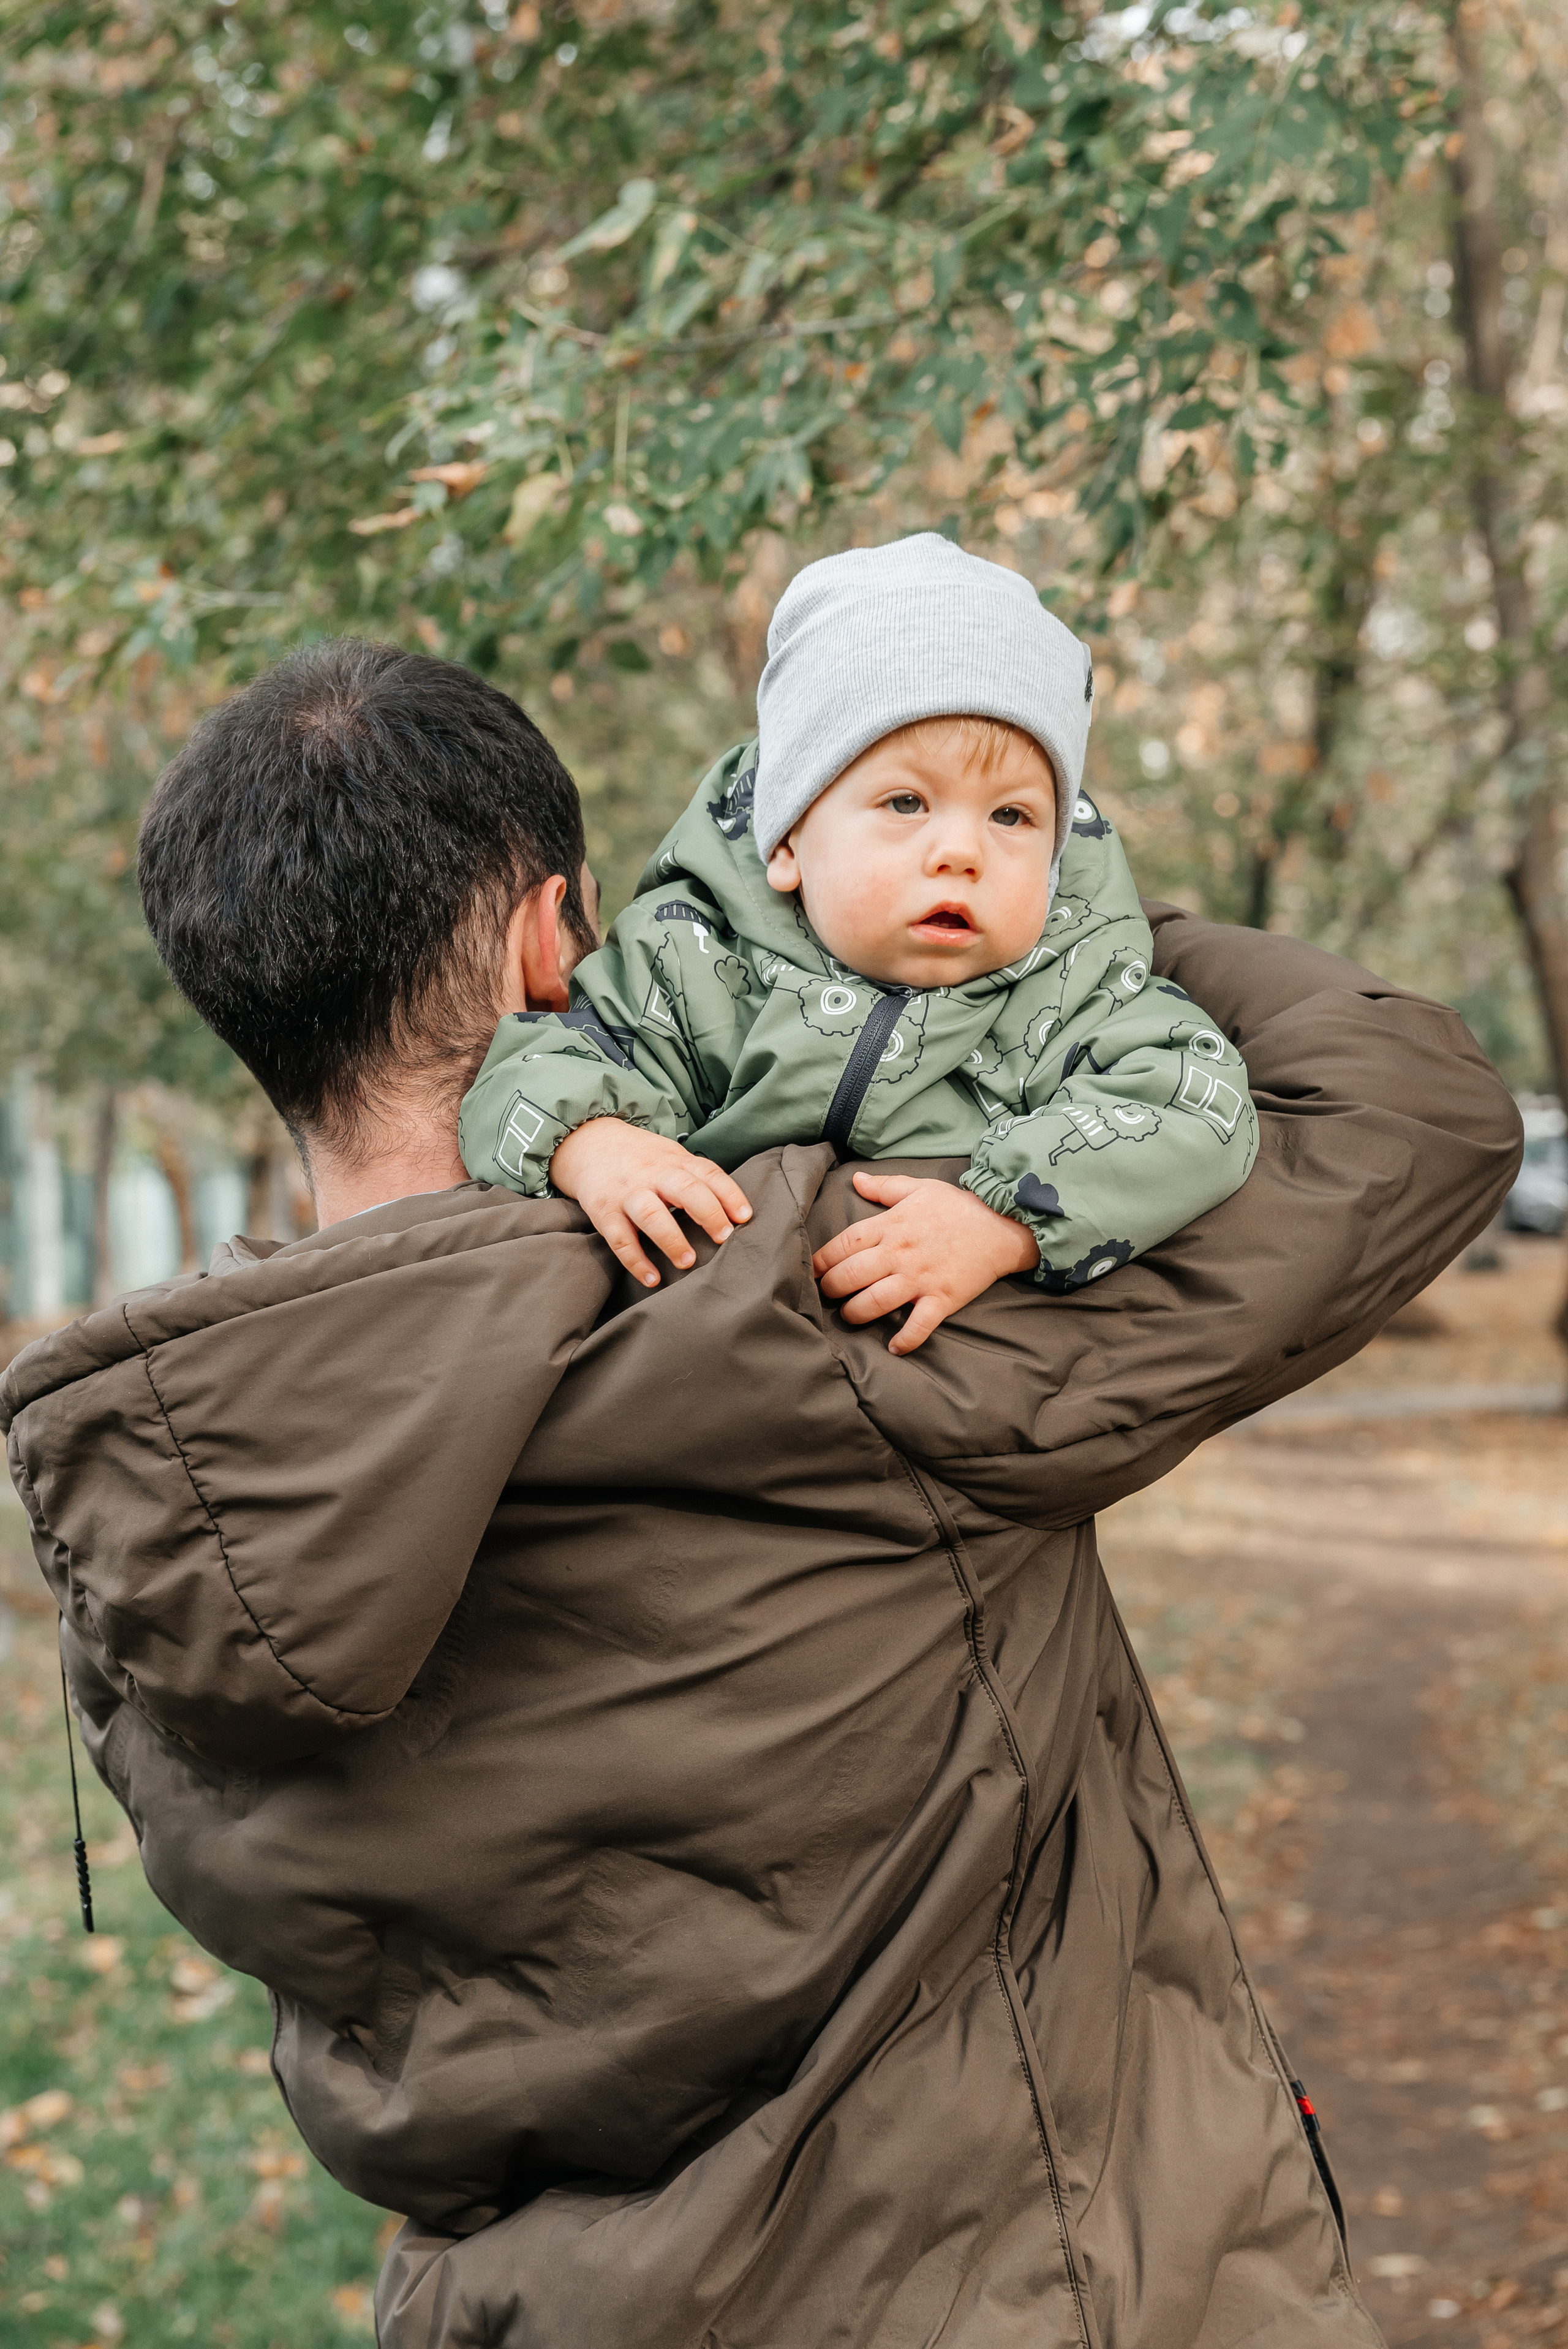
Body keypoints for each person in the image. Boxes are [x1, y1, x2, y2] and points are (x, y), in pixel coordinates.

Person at [2, 636, 1521, 2349]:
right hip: (1000, 2293)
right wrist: (1015, 921)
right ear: (549, 941)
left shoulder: (172, 1486)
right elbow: (1419, 1101)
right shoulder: (826, 1306)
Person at [460, 537, 1257, 1353]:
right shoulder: (697, 961)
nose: (963, 851)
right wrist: (594, 1144)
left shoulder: (1071, 984)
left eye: (1012, 816)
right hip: (719, 1356)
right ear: (790, 839)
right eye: (907, 801)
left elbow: (1201, 1107)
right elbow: (530, 1068)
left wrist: (1002, 1218)